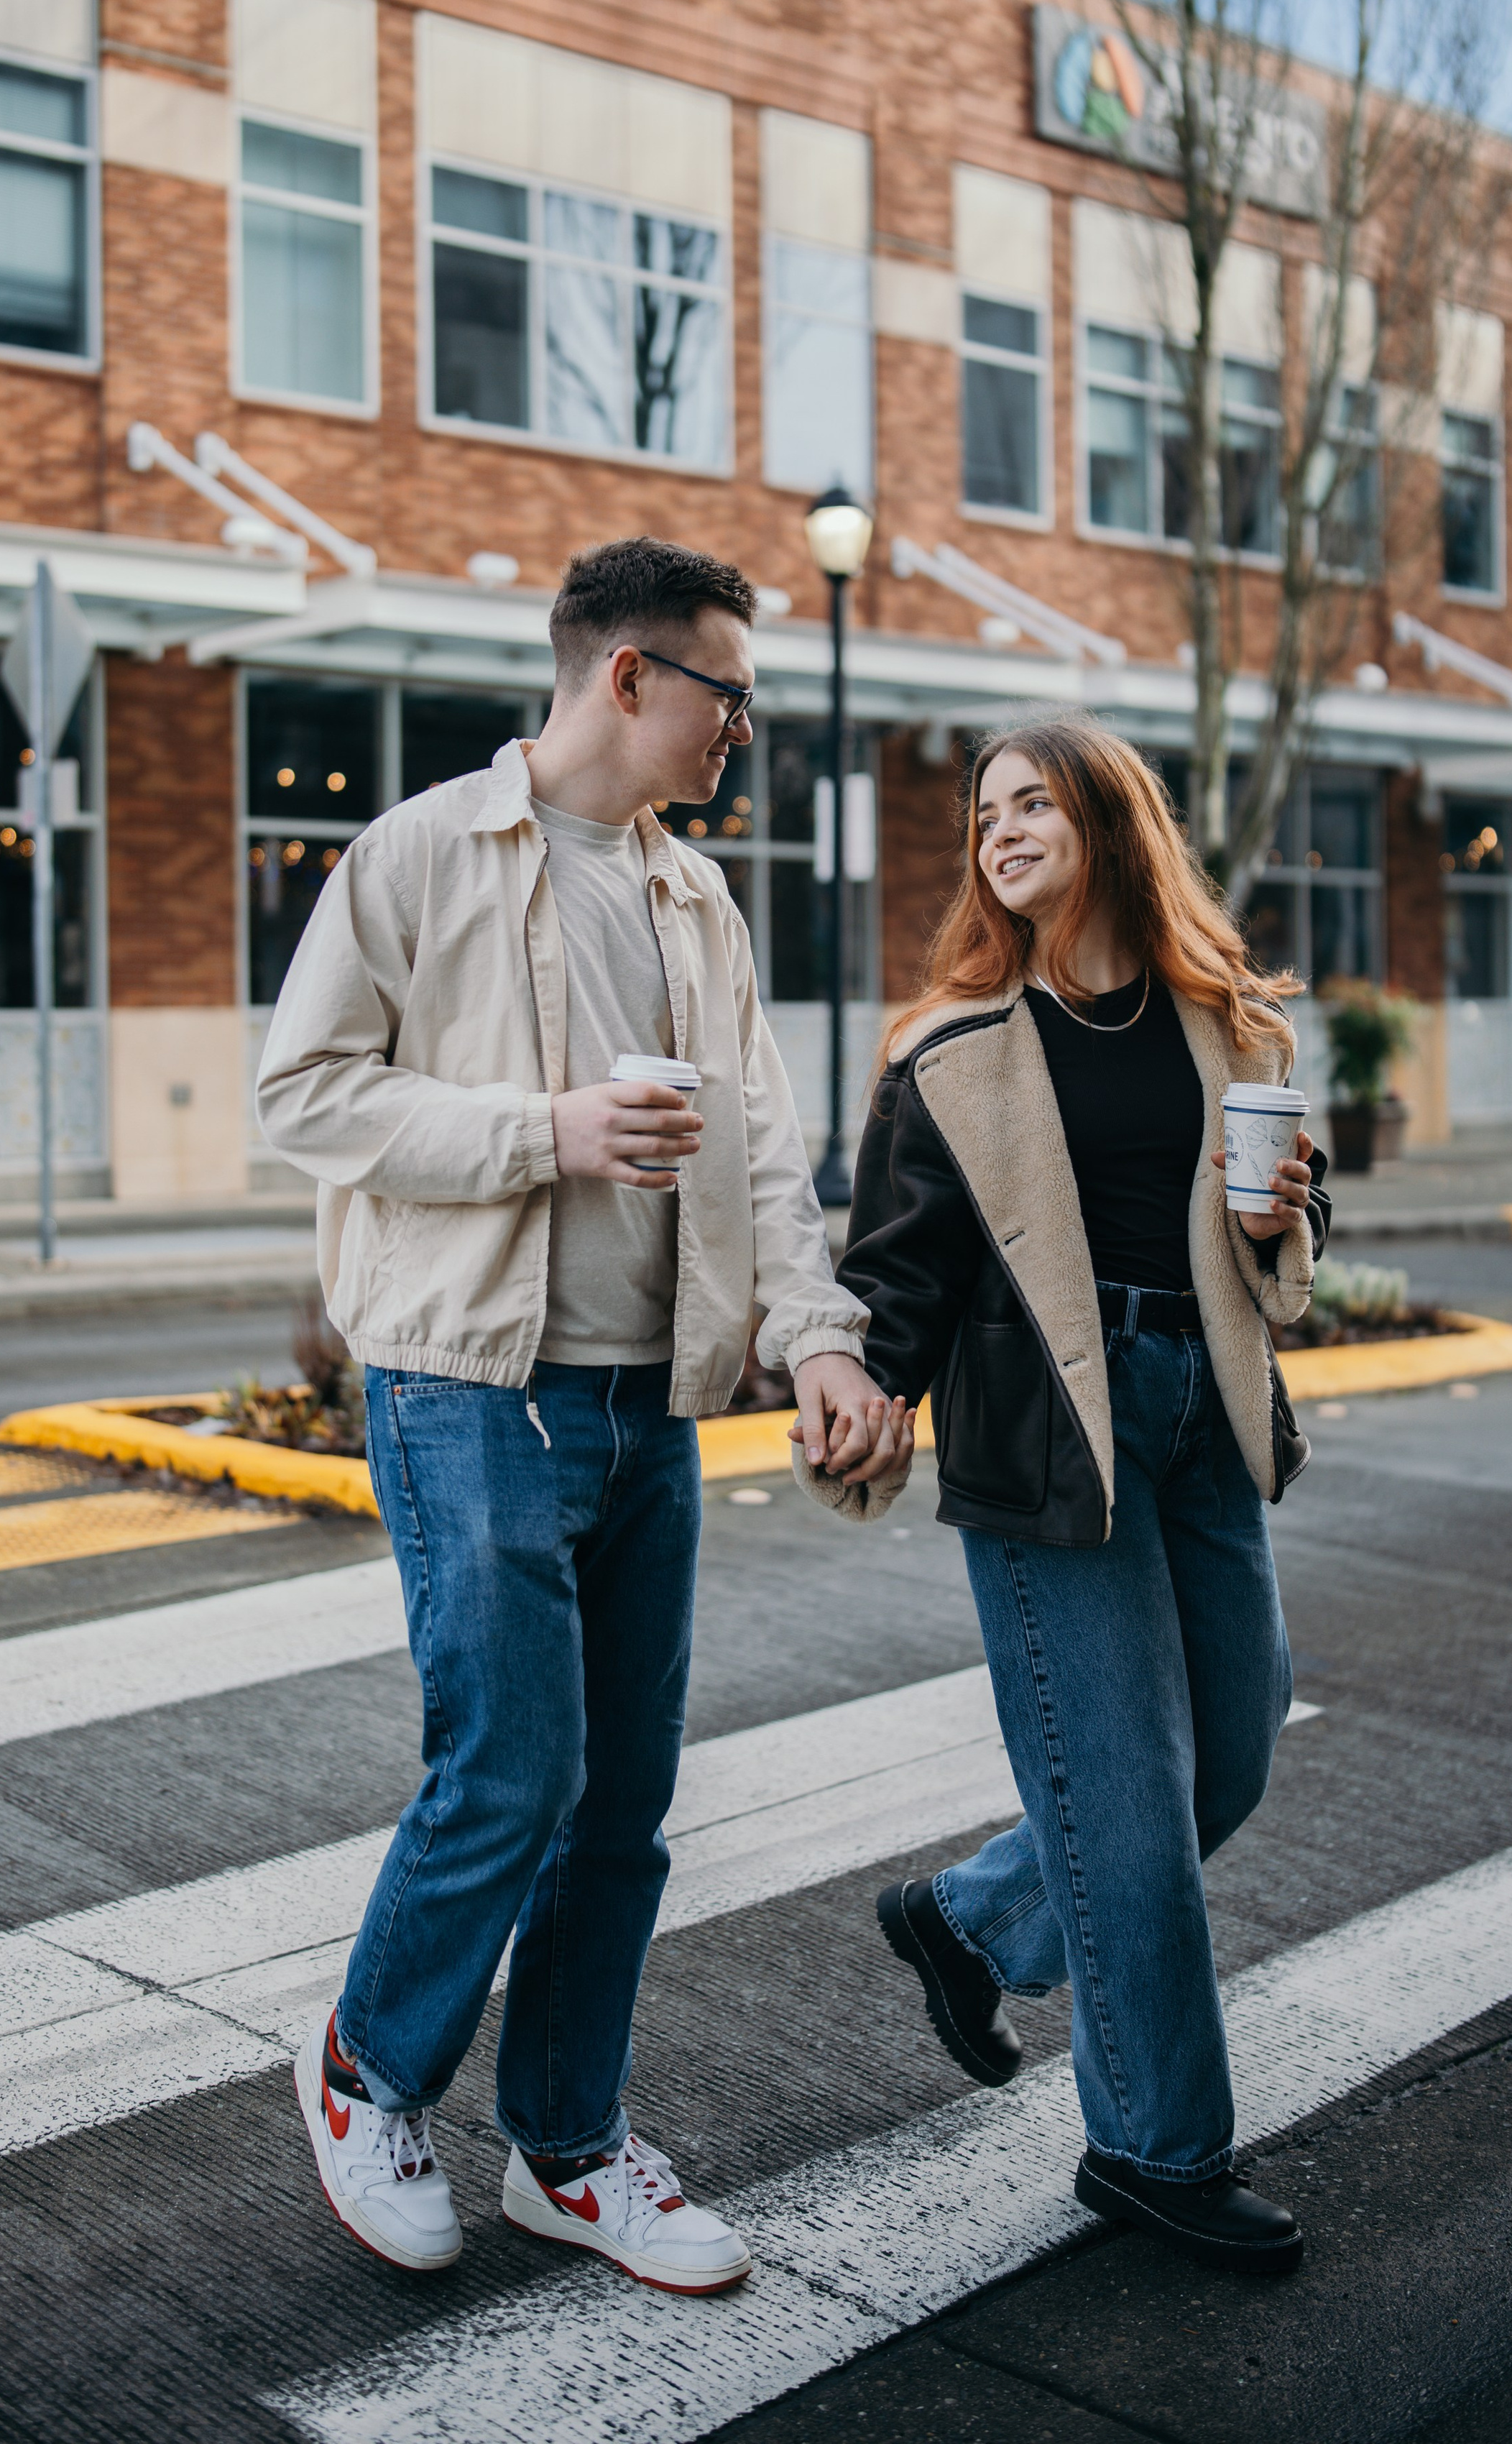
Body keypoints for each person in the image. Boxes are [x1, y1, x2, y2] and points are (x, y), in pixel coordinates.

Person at [257, 535, 909, 2294]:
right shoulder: (418, 853)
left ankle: (564, 2144)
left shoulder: (697, 900)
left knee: (621, 1798)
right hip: (472, 1389)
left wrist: (819, 1338)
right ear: (627, 676)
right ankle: (369, 2071)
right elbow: (303, 1095)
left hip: (647, 1407)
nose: (743, 734)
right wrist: (539, 1133)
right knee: (514, 1770)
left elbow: (766, 1152)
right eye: (727, 695)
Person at [797, 714, 1329, 2278]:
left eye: (1033, 802)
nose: (1002, 830)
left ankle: (970, 1922)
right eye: (983, 815)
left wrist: (1289, 1210)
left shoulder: (1224, 1024)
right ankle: (1155, 2152)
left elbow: (1272, 1239)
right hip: (1051, 1450)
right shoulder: (949, 1049)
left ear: (1107, 821)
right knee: (1125, 1816)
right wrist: (864, 1395)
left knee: (1226, 1751)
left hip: (1203, 1418)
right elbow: (898, 1273)